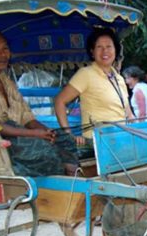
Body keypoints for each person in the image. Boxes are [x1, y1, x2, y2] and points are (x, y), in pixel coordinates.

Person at [0, 29, 79, 176]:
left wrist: (46, 132)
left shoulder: (6, 80)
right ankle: (57, 189)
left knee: (66, 140)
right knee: (46, 151)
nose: (3, 54)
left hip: (17, 133)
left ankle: (72, 182)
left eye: (5, 49)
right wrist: (34, 134)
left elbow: (26, 117)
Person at [54, 27, 135, 158]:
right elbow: (59, 101)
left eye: (109, 46)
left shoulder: (119, 79)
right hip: (96, 146)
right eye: (99, 47)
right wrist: (68, 134)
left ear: (115, 50)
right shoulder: (85, 74)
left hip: (121, 142)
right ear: (92, 52)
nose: (105, 51)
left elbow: (128, 113)